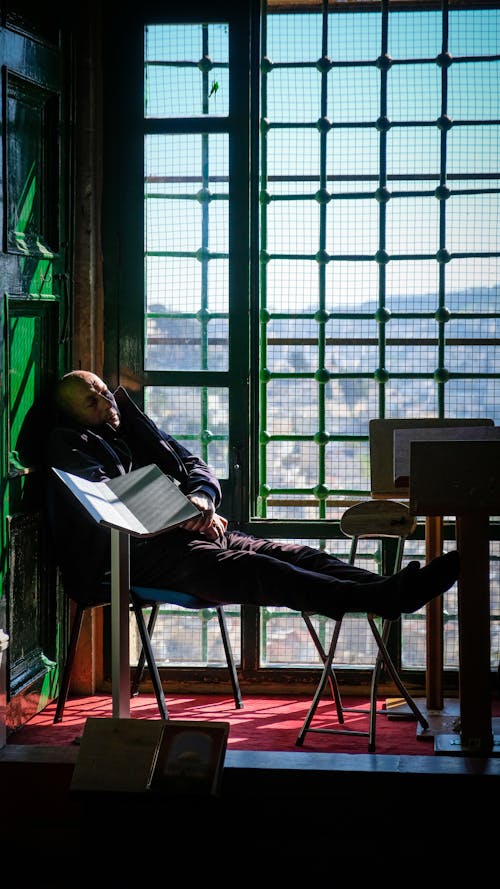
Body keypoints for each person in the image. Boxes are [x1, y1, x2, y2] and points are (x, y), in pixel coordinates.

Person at [45, 369, 460, 621]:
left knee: (299, 556)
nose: (104, 401)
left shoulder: (132, 425)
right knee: (263, 572)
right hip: (145, 557)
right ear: (74, 415)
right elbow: (113, 502)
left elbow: (194, 467)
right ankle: (385, 598)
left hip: (198, 531)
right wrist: (189, 517)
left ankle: (389, 590)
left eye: (101, 390)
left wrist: (204, 502)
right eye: (90, 401)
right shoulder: (71, 445)